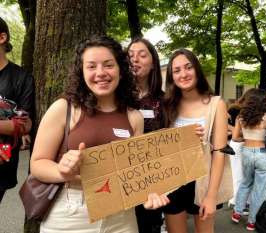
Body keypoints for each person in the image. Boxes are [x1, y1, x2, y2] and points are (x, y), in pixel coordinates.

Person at [30, 35, 169, 233]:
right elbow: (37, 164)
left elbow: (137, 171)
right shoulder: (64, 108)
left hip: (122, 216)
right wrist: (62, 171)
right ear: (82, 72)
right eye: (91, 66)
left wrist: (147, 193)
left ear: (121, 70)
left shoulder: (134, 117)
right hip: (70, 214)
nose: (101, 73)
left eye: (108, 65)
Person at [162, 48, 227, 233]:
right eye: (177, 70)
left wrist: (211, 196)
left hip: (204, 181)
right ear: (172, 76)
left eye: (188, 67)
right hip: (173, 181)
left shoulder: (216, 104)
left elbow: (220, 152)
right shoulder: (167, 106)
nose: (183, 74)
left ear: (197, 69)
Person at [127, 37, 165, 233]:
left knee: (149, 225)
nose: (135, 59)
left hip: (151, 177)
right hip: (122, 175)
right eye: (131, 55)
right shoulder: (117, 97)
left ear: (153, 64)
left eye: (142, 55)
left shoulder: (164, 100)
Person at [231, 88, 266, 231]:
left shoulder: (241, 116)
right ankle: (252, 221)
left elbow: (234, 137)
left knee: (246, 183)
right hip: (263, 154)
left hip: (246, 152)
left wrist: (246, 137)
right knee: (260, 189)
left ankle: (237, 213)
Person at [0, 17, 35, 203]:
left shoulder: (21, 78)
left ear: (2, 37)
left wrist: (15, 126)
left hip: (3, 155)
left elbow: (23, 126)